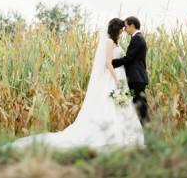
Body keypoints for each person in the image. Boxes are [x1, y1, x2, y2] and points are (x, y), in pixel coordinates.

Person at [9, 18, 144, 149]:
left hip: (120, 77)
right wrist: (115, 78)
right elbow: (108, 63)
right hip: (111, 78)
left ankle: (123, 134)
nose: (123, 31)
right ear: (117, 29)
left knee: (122, 105)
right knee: (108, 104)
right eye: (122, 29)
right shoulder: (109, 42)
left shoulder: (116, 43)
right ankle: (109, 134)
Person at [112, 16, 149, 126]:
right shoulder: (138, 37)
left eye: (126, 26)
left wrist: (112, 63)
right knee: (139, 106)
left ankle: (145, 133)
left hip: (136, 78)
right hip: (138, 78)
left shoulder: (137, 38)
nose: (125, 29)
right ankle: (144, 133)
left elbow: (129, 58)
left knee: (139, 107)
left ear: (132, 25)